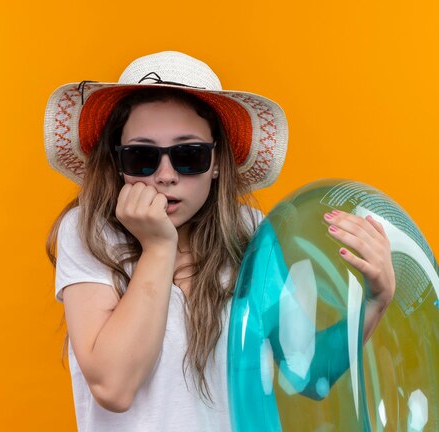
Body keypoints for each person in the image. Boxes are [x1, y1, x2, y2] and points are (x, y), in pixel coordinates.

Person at [44, 51, 395, 431]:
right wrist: (159, 247)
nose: (165, 176)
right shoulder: (90, 230)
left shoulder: (253, 233)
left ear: (215, 162)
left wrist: (375, 302)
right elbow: (113, 386)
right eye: (142, 157)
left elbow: (305, 370)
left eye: (188, 155)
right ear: (118, 163)